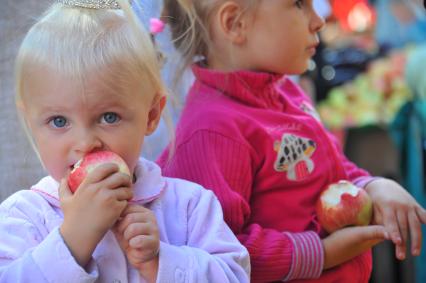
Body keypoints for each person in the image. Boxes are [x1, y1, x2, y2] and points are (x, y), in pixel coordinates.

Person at [157, 0, 426, 282]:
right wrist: (321, 253)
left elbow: (328, 166)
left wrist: (371, 185)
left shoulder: (285, 91)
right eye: (299, 4)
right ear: (234, 23)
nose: (318, 20)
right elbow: (214, 251)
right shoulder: (212, 130)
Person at [0, 0, 250, 282]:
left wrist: (161, 261)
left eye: (108, 117)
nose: (85, 143)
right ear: (32, 124)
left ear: (151, 114)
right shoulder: (22, 217)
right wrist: (71, 241)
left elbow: (235, 275)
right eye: (59, 121)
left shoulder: (189, 207)